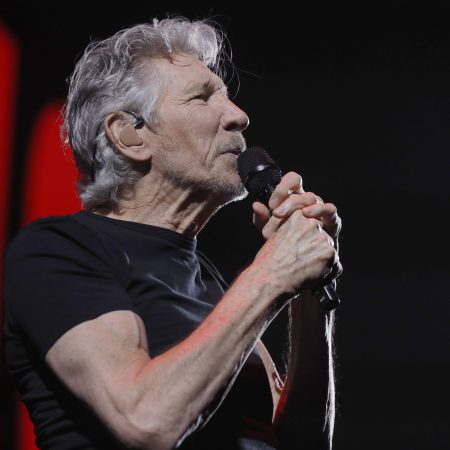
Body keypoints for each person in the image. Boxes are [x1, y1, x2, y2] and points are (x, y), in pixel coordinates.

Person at [4, 17, 342, 450]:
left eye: (228, 97)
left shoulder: (210, 283)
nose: (239, 116)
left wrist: (313, 290)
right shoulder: (57, 252)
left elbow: (301, 442)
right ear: (129, 134)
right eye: (203, 98)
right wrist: (272, 276)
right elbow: (145, 421)